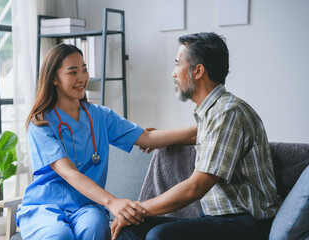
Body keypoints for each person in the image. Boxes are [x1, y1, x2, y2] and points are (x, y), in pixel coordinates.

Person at [15, 43, 197, 240]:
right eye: (72, 72)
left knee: (94, 230)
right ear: (54, 79)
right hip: (45, 206)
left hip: (87, 206)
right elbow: (68, 173)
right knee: (59, 236)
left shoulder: (100, 116)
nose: (82, 78)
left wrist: (202, 129)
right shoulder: (41, 122)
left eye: (84, 70)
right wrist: (112, 201)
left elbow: (148, 138)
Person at [112, 32, 282, 240]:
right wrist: (159, 138)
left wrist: (136, 208)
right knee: (131, 229)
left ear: (198, 71)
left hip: (245, 221)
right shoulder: (212, 112)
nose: (174, 73)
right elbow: (199, 135)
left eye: (177, 64)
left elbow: (195, 187)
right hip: (215, 218)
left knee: (158, 234)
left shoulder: (228, 113)